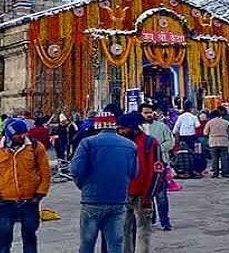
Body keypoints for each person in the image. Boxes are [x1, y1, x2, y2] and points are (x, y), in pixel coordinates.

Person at [0, 119, 51, 253]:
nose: (22, 137)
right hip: (5, 202)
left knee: (30, 238)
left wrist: (39, 194)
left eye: (24, 133)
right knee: (3, 240)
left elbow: (45, 173)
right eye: (18, 134)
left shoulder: (36, 147)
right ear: (9, 134)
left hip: (30, 201)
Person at [71, 112, 137, 253]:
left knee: (87, 243)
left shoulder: (87, 143)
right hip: (118, 200)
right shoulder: (130, 145)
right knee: (115, 244)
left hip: (92, 200)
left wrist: (83, 185)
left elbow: (76, 170)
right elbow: (134, 172)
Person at [117, 112, 163, 253]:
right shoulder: (121, 143)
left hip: (144, 193)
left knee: (144, 231)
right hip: (124, 193)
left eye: (123, 128)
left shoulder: (150, 143)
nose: (120, 131)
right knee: (124, 230)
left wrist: (149, 195)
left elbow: (157, 170)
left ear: (132, 127)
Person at [139, 103, 174, 230]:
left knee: (161, 194)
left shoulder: (162, 127)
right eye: (145, 112)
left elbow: (170, 142)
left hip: (159, 164)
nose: (148, 114)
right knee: (145, 194)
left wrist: (158, 149)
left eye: (150, 112)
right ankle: (149, 219)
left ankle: (165, 221)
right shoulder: (137, 128)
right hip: (142, 165)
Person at [203, 110, 229, 178]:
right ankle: (225, 173)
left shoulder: (209, 122)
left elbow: (205, 132)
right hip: (224, 141)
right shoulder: (226, 122)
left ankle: (216, 173)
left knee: (214, 158)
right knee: (224, 158)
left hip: (213, 142)